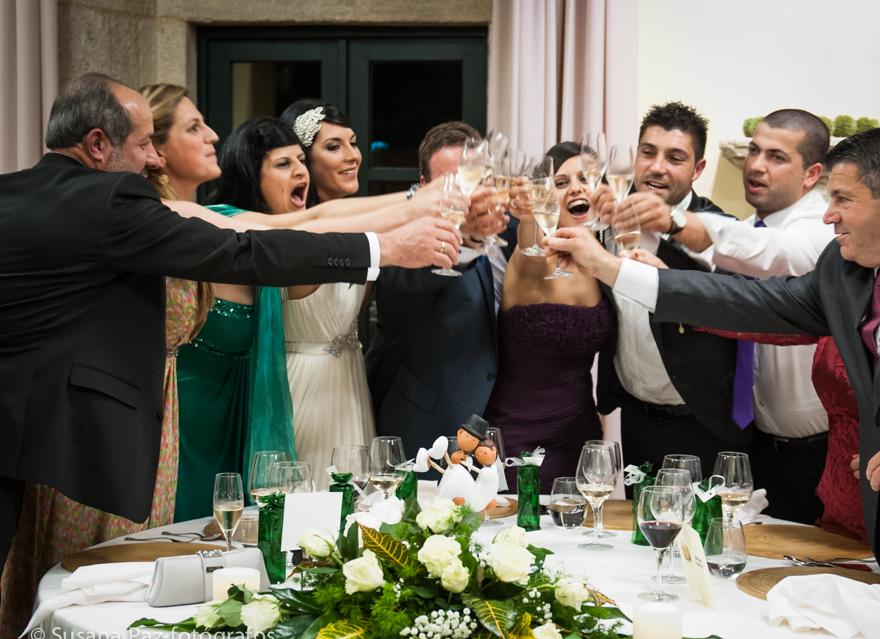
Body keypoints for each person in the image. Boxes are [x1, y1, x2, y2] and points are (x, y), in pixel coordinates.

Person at [549, 126, 880, 639]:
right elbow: (748, 305)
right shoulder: (845, 269)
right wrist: (612, 268)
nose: (828, 215)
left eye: (842, 199)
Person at [0, 72, 461, 576]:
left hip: (28, 443)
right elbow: (243, 250)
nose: (151, 158)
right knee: (86, 581)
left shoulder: (13, 194)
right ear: (95, 144)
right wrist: (386, 247)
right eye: (144, 144)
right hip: (84, 444)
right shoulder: (112, 201)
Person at [618, 108, 834, 524]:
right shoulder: (754, 226)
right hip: (759, 442)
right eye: (754, 150)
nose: (755, 165)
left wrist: (675, 228)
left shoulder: (816, 229)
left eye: (776, 156)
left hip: (813, 448)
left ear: (811, 175)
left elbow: (769, 255)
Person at [592, 102, 751, 477]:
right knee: (639, 532)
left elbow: (738, 296)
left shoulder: (718, 229)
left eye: (674, 157)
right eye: (648, 152)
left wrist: (670, 276)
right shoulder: (609, 211)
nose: (657, 167)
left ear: (698, 169)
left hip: (704, 420)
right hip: (636, 416)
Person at [366, 121, 515, 457]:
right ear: (424, 187)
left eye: (477, 179)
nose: (468, 193)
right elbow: (397, 289)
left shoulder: (512, 230)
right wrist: (465, 240)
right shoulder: (402, 234)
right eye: (453, 183)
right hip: (427, 422)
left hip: (501, 423)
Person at [483, 142, 614, 490]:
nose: (576, 187)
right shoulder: (532, 263)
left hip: (580, 439)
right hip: (518, 439)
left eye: (586, 178)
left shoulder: (607, 262)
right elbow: (530, 247)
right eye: (560, 182)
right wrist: (528, 217)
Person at [274, 100, 374, 489]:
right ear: (304, 161)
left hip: (349, 380)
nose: (352, 156)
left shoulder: (359, 230)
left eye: (352, 143)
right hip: (307, 388)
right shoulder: (297, 234)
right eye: (334, 147)